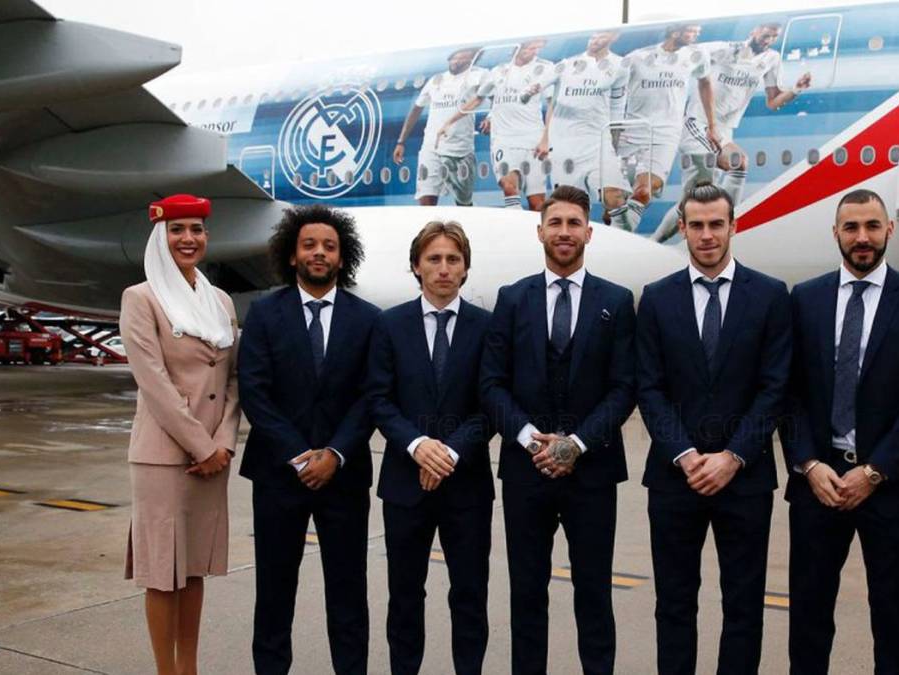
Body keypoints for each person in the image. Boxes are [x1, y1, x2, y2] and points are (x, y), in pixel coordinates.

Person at [783, 188, 899, 674]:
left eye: (872, 226)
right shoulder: (805, 298)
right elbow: (788, 392)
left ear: (888, 230)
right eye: (851, 227)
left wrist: (875, 471)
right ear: (835, 232)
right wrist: (809, 464)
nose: (862, 237)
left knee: (893, 620)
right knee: (808, 618)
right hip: (818, 484)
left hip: (888, 488)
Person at [480, 185, 636, 674]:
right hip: (526, 474)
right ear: (540, 231)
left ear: (589, 232)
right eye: (555, 223)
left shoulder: (616, 301)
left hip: (593, 473)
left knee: (594, 595)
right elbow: (491, 383)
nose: (564, 232)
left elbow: (624, 387)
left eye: (573, 223)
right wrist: (532, 440)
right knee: (527, 595)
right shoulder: (512, 299)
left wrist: (577, 444)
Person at [636, 183, 791, 674]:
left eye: (716, 224)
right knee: (674, 604)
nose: (707, 235)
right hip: (674, 478)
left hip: (744, 479)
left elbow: (775, 388)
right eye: (697, 225)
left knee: (743, 606)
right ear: (682, 228)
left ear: (733, 226)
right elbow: (649, 388)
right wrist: (685, 454)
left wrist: (732, 456)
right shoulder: (657, 299)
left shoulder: (769, 295)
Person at [238, 205, 380, 675]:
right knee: (274, 593)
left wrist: (335, 453)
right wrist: (300, 456)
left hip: (344, 476)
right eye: (309, 245)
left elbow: (371, 395)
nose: (319, 253)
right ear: (292, 255)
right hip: (278, 476)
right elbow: (255, 392)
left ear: (342, 257)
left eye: (329, 246)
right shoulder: (263, 314)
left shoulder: (368, 319)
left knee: (348, 593)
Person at [367, 220, 495, 674]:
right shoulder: (389, 324)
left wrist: (450, 452)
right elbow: (378, 399)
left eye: (453, 259)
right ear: (416, 267)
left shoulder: (486, 327)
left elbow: (491, 403)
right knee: (404, 595)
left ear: (465, 268)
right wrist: (418, 445)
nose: (443, 268)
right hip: (406, 484)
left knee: (470, 595)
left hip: (467, 486)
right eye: (434, 258)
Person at [120, 194, 240, 675]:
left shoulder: (220, 300)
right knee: (162, 575)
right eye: (177, 230)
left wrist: (224, 442)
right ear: (160, 237)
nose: (188, 239)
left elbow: (232, 380)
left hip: (214, 455)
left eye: (196, 229)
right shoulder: (141, 298)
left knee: (192, 570)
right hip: (165, 458)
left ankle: (188, 668)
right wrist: (203, 446)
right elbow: (153, 383)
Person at [651, 23, 812, 243]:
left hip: (725, 130)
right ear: (754, 31)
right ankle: (726, 230)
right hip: (699, 122)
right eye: (766, 35)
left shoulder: (771, 59)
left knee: (692, 201)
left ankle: (653, 242)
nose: (768, 40)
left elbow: (773, 101)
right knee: (738, 163)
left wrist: (796, 89)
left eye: (773, 37)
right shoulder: (724, 49)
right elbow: (686, 54)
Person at [609, 24, 713, 232]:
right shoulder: (637, 58)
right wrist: (612, 133)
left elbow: (705, 83)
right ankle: (617, 232)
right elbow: (613, 88)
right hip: (632, 132)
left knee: (644, 191)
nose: (696, 34)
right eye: (691, 30)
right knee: (615, 200)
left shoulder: (697, 55)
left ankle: (620, 236)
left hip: (666, 135)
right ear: (675, 32)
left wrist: (713, 125)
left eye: (697, 30)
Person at [439, 40, 551, 211]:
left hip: (533, 139)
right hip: (504, 140)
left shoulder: (544, 69)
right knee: (509, 187)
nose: (534, 51)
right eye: (530, 47)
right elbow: (478, 99)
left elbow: (552, 104)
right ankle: (515, 224)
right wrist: (449, 122)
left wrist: (545, 139)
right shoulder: (498, 72)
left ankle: (537, 228)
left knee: (537, 203)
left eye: (537, 48)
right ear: (518, 47)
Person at [533, 30, 630, 219]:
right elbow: (554, 103)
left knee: (614, 197)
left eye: (602, 35)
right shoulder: (568, 65)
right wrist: (545, 139)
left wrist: (614, 146)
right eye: (593, 36)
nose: (595, 40)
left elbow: (617, 109)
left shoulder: (620, 65)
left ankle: (620, 231)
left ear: (614, 36)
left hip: (598, 143)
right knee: (570, 208)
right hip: (566, 144)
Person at [393, 47, 485, 206]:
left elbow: (486, 96)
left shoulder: (479, 76)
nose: (456, 61)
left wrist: (490, 117)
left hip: (460, 148)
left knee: (464, 202)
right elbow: (416, 109)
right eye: (454, 58)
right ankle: (429, 222)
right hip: (432, 145)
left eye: (462, 58)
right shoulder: (436, 80)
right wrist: (401, 141)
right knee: (426, 197)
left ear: (471, 60)